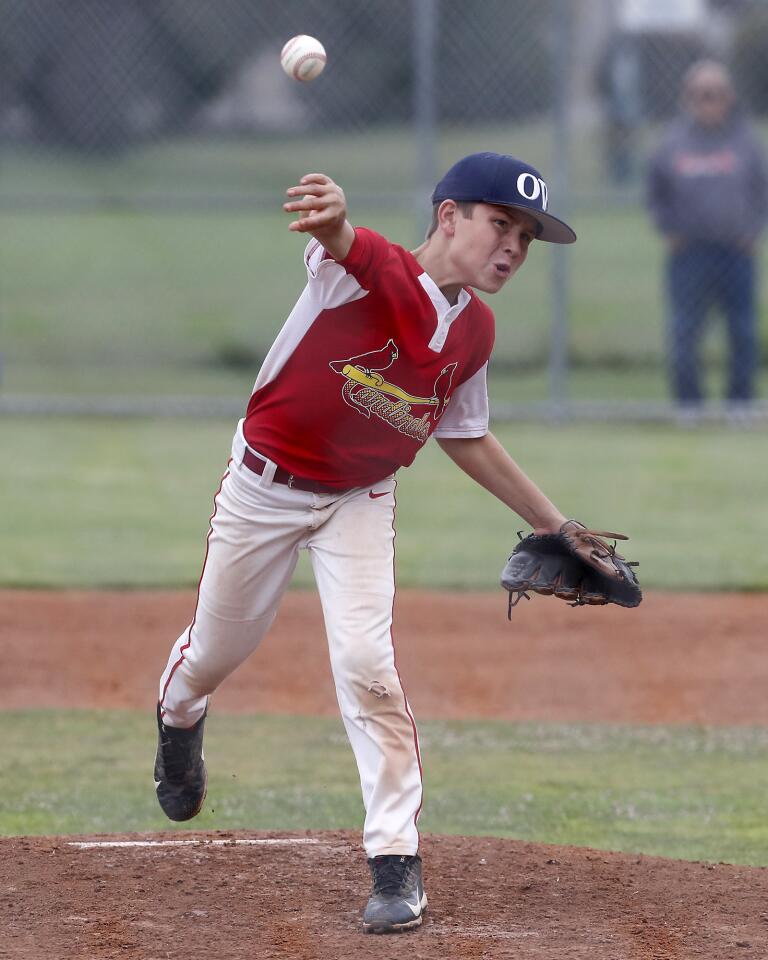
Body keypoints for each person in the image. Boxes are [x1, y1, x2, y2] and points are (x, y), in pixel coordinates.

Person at [153, 152, 581, 933]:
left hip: (360, 497)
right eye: (500, 224)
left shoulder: (474, 333)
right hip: (264, 489)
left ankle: (396, 861)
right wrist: (336, 220)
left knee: (367, 666)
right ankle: (179, 714)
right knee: (215, 650)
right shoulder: (358, 268)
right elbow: (345, 244)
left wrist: (556, 523)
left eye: (525, 235)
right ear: (448, 216)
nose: (514, 247)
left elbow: (468, 436)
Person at [646, 60, 768, 410]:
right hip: (689, 253)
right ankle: (689, 406)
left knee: (743, 332)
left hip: (737, 251)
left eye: (715, 94)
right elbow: (655, 193)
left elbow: (763, 191)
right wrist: (668, 230)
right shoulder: (672, 142)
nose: (708, 101)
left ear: (728, 97)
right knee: (685, 331)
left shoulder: (746, 141)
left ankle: (740, 405)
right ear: (688, 98)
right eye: (700, 95)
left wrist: (753, 231)